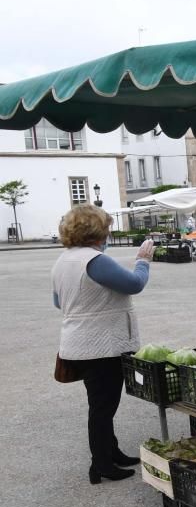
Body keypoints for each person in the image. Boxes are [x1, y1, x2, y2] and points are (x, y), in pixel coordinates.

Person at [51, 204, 155, 484]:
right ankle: (101, 465)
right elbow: (134, 284)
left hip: (78, 344)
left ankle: (112, 452)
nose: (109, 232)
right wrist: (143, 261)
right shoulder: (95, 260)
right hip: (102, 346)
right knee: (103, 407)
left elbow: (58, 301)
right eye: (107, 227)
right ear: (96, 230)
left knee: (101, 403)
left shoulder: (64, 259)